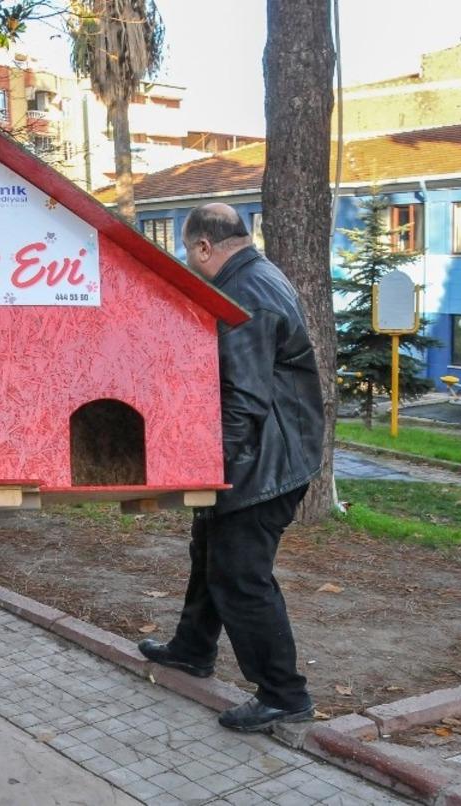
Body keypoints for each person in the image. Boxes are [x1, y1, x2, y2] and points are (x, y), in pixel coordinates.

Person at [138, 203, 324, 733]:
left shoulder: (244, 296)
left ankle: (285, 695)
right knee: (210, 554)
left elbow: (243, 399)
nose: (187, 262)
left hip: (265, 462)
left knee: (241, 576)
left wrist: (207, 466)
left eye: (186, 252)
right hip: (269, 451)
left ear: (203, 246)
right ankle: (192, 649)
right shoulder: (259, 275)